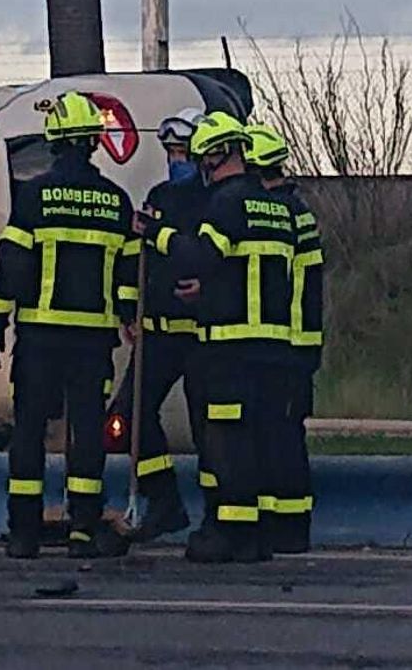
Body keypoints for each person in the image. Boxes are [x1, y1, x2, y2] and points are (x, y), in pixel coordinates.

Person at [0, 92, 139, 560]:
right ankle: (83, 530)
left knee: (30, 429)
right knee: (87, 431)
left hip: (40, 336)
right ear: (94, 142)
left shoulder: (34, 196)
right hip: (93, 340)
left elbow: (12, 263)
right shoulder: (116, 201)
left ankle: (25, 532)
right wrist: (128, 316)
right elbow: (129, 275)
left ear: (55, 141)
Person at [139, 112, 297, 564]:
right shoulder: (275, 206)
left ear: (219, 152)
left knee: (228, 440)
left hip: (230, 344)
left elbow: (202, 254)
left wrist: (157, 233)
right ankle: (254, 536)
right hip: (273, 345)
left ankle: (232, 534)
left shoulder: (227, 203)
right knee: (257, 438)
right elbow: (249, 272)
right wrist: (210, 291)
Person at [108, 108, 209, 542]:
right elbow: (132, 257)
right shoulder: (160, 197)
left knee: (212, 427)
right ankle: (163, 500)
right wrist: (127, 309)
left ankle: (222, 516)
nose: (174, 159)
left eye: (182, 151)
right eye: (169, 151)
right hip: (161, 332)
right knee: (126, 417)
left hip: (207, 336)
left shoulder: (220, 202)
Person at [244, 123, 323, 554]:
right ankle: (289, 525)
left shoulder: (268, 215)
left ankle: (281, 525)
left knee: (272, 437)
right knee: (284, 435)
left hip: (276, 346)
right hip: (297, 346)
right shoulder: (299, 214)